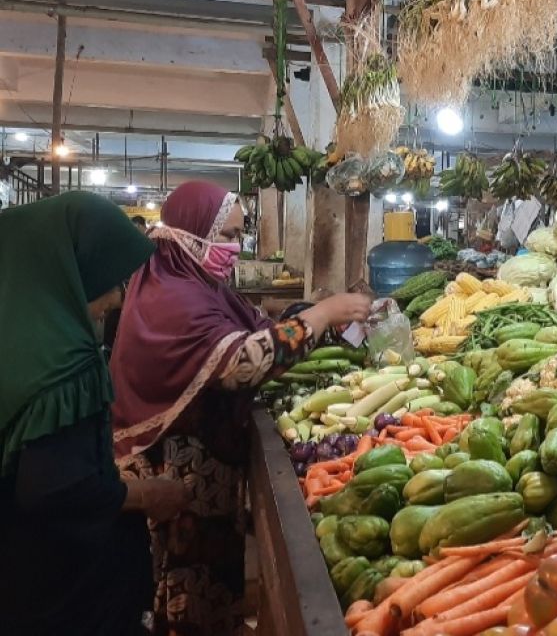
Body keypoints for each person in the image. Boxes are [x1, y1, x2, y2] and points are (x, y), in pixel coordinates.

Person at [109, 181, 371, 635]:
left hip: (204, 475)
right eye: (226, 235)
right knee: (184, 598)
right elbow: (243, 363)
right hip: (172, 479)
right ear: (189, 233)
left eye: (238, 235)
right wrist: (324, 313)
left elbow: (264, 331)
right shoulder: (172, 298)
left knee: (213, 589)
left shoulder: (202, 287)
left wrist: (330, 323)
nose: (234, 247)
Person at [0, 192, 191, 635]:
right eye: (107, 281)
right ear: (70, 273)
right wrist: (146, 494)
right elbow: (53, 491)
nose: (117, 298)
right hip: (63, 588)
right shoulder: (65, 365)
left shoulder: (15, 336)